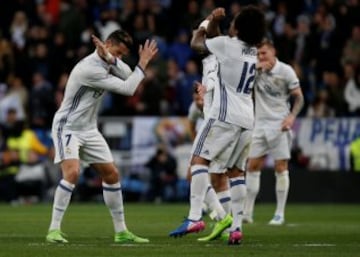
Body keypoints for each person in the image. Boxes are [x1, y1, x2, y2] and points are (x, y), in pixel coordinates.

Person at [45, 29, 158, 244]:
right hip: (67, 127)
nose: (120, 58)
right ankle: (53, 230)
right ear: (106, 43)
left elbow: (128, 74)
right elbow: (129, 87)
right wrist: (142, 63)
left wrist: (111, 58)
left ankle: (121, 231)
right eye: (118, 52)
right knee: (72, 173)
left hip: (88, 129)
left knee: (112, 174)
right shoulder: (89, 69)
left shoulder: (109, 61)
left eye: (123, 55)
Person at [169, 6, 266, 245]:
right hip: (247, 118)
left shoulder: (227, 45)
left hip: (224, 116)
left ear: (239, 28)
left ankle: (194, 218)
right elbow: (217, 40)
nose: (231, 24)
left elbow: (196, 43)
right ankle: (236, 228)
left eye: (235, 22)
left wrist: (207, 21)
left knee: (198, 162)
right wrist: (215, 23)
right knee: (235, 173)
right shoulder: (252, 51)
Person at [243, 38, 304, 225]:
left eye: (264, 53)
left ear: (273, 52)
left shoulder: (285, 71)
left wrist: (292, 117)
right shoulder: (254, 70)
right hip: (259, 124)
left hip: (279, 125)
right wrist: (258, 68)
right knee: (252, 166)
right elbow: (242, 87)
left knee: (280, 167)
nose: (261, 57)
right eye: (258, 54)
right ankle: (247, 213)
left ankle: (279, 213)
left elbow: (299, 97)